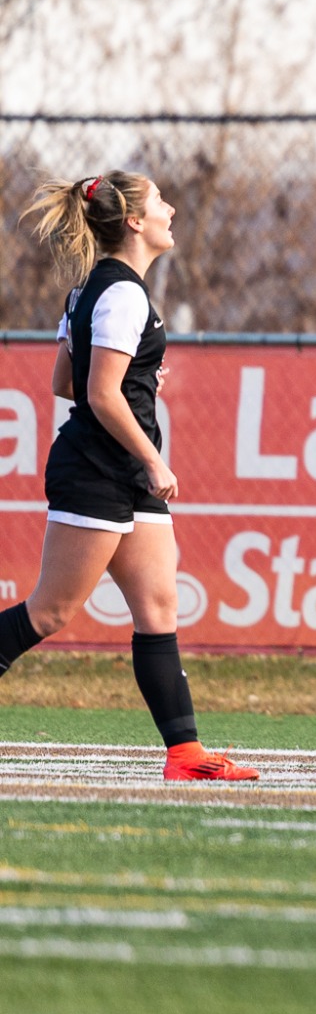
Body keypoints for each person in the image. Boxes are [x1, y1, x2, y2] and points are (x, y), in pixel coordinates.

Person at [0, 173, 256, 782]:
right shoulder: (122, 294)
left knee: (158, 605)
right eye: (160, 201)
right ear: (135, 222)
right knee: (51, 612)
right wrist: (154, 458)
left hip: (119, 472)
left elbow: (68, 381)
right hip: (98, 470)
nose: (171, 208)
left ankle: (186, 755)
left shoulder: (96, 288)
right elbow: (97, 395)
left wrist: (140, 380)